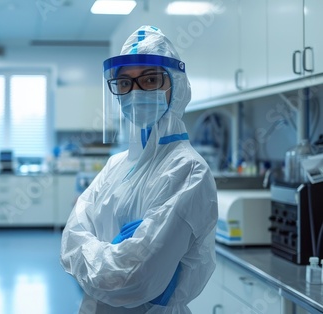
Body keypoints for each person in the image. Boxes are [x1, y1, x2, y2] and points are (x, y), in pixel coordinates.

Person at [59, 25, 218, 313]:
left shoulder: (188, 171)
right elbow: (70, 238)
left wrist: (95, 248)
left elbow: (130, 280)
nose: (135, 92)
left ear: (176, 85)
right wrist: (113, 253)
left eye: (150, 79)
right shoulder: (116, 164)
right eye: (124, 83)